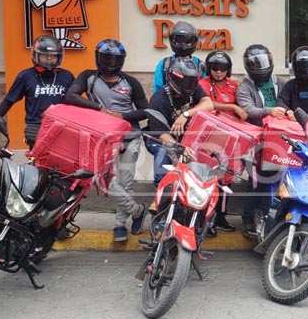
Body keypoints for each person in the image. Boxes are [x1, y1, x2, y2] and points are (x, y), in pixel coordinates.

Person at [63, 39, 149, 242]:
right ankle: (137, 211)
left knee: (125, 182)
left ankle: (120, 225)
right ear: (98, 58)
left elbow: (145, 110)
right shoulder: (88, 77)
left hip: (128, 137)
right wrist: (98, 109)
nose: (110, 63)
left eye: (115, 59)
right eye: (106, 58)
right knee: (102, 183)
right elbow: (71, 96)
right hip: (100, 139)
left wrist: (123, 116)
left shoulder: (131, 83)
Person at [145, 59, 214, 213]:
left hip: (184, 137)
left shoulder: (194, 89)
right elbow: (162, 134)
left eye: (193, 81)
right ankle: (161, 197)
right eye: (188, 81)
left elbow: (208, 103)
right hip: (160, 138)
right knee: (165, 156)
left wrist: (186, 114)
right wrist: (179, 148)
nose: (191, 86)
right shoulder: (159, 98)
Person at [236, 44, 288, 236]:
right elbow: (248, 109)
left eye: (264, 62)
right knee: (255, 180)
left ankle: (267, 217)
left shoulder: (280, 82)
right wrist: (269, 111)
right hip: (255, 139)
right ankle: (248, 219)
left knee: (274, 178)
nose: (262, 67)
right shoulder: (244, 87)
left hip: (277, 138)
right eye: (257, 64)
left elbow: (287, 100)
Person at [197, 50, 248, 236]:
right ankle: (205, 219)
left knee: (226, 178)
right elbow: (208, 104)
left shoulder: (234, 85)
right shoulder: (201, 84)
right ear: (208, 69)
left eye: (222, 69)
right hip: (209, 137)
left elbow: (242, 105)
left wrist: (240, 110)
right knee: (208, 177)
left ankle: (221, 216)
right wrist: (232, 107)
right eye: (215, 69)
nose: (218, 72)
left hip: (230, 137)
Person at [0, 35, 74, 149]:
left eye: (53, 56)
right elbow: (9, 100)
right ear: (36, 55)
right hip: (36, 126)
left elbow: (76, 101)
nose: (49, 59)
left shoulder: (67, 76)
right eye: (45, 56)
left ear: (59, 57)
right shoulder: (26, 76)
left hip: (62, 126)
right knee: (38, 163)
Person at [276, 46, 308, 120]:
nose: (304, 70)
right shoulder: (290, 85)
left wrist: (307, 117)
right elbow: (280, 101)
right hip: (294, 121)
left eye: (307, 66)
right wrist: (288, 111)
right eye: (302, 66)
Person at [152, 21, 204, 94]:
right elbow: (157, 90)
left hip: (195, 103)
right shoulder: (164, 64)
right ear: (173, 40)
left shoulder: (201, 66)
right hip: (169, 103)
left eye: (188, 41)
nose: (183, 45)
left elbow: (205, 91)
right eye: (179, 40)